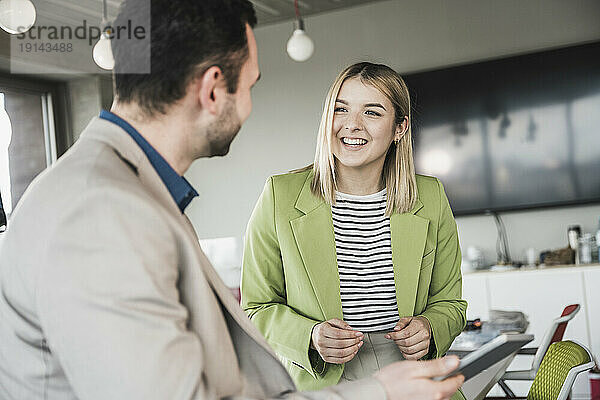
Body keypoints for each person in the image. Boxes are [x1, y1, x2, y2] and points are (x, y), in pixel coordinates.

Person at [0, 1, 464, 399]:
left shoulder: (123, 190)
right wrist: (380, 391)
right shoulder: (101, 211)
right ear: (213, 88)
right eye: (251, 86)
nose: (248, 106)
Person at [241, 62, 467, 398]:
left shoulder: (430, 197)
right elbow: (255, 307)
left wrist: (429, 328)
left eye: (372, 112)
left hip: (411, 372)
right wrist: (311, 335)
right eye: (340, 109)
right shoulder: (280, 196)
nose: (351, 125)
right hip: (324, 378)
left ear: (400, 128)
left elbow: (450, 302)